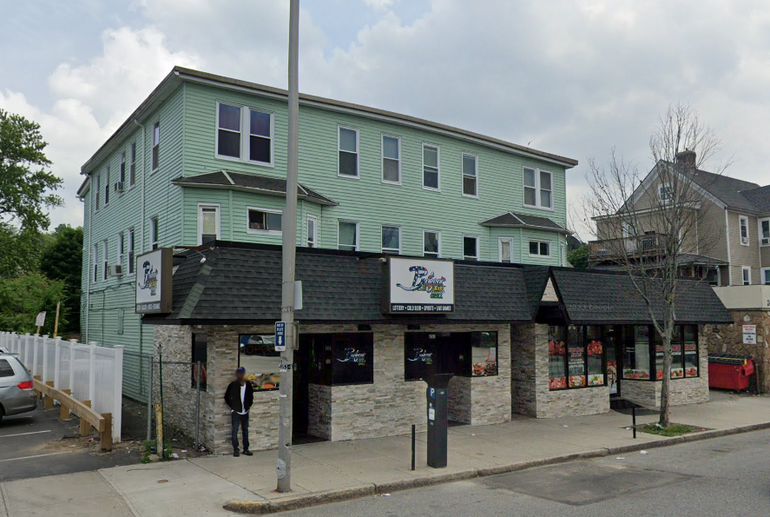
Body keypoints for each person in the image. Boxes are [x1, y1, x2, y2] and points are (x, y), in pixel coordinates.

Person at [224, 367, 254, 457]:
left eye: (241, 373)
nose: (240, 375)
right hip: (236, 412)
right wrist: (233, 407)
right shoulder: (233, 385)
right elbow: (227, 397)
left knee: (245, 430)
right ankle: (236, 449)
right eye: (238, 373)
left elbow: (251, 396)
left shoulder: (248, 384)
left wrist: (248, 406)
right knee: (235, 431)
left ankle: (246, 449)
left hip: (245, 411)